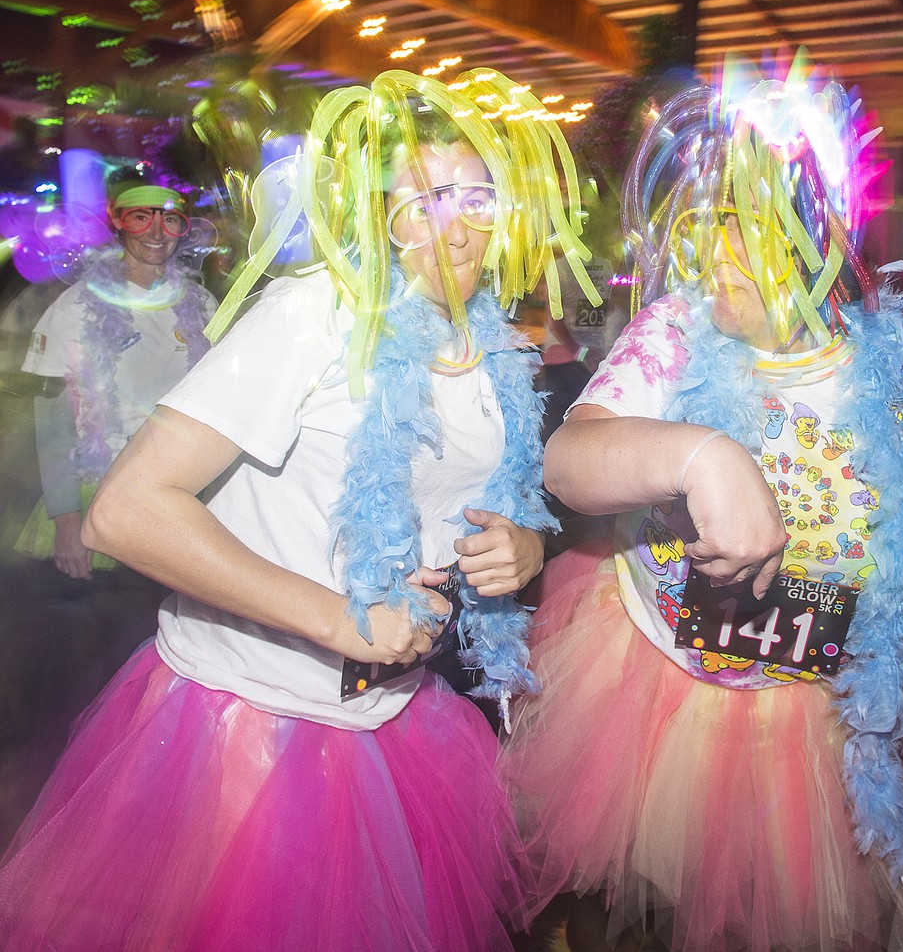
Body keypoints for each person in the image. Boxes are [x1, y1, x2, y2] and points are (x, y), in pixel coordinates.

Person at [0, 68, 599, 951]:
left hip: (396, 716)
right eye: (427, 196)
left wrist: (524, 544)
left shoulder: (490, 336)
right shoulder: (314, 312)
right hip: (247, 721)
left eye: (477, 193)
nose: (458, 221)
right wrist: (339, 619)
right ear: (373, 209)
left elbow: (474, 496)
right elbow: (125, 511)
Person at [499, 64, 903, 952]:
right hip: (647, 692)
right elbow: (571, 463)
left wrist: (900, 665)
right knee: (622, 912)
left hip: (808, 729)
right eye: (701, 230)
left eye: (740, 231)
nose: (708, 257)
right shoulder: (674, 330)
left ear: (815, 236)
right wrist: (701, 453)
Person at [17, 183, 217, 578]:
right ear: (120, 224)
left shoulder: (202, 304)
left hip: (178, 492)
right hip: (101, 490)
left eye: (170, 220)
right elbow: (52, 424)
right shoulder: (76, 306)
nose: (157, 233)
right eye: (142, 218)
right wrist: (67, 521)